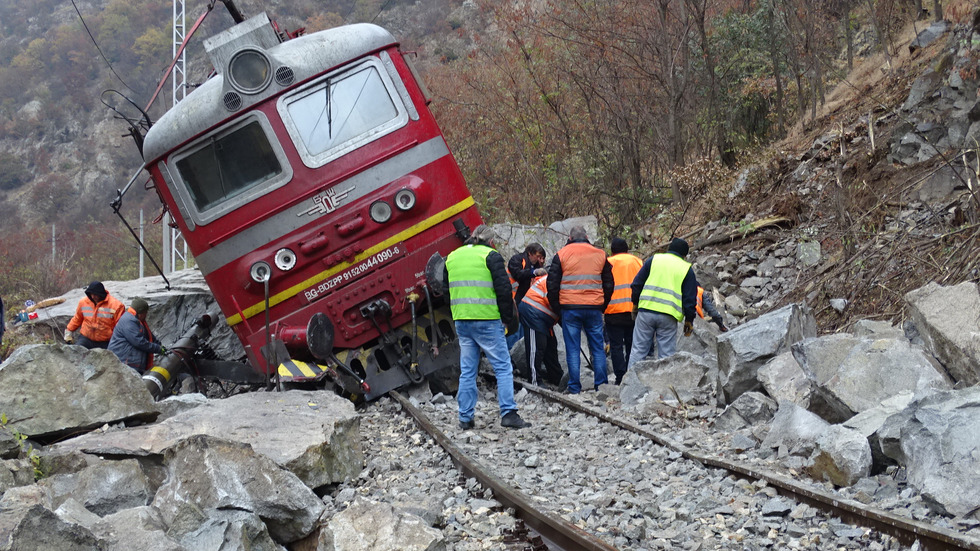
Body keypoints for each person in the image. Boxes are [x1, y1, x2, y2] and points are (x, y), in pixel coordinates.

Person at [445, 224, 530, 430]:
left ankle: (465, 417)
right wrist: (507, 319)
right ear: (490, 241)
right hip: (487, 320)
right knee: (502, 367)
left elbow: (446, 289)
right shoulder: (491, 256)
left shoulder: (452, 257)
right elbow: (503, 290)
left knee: (467, 370)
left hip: (462, 321)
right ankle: (508, 413)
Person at [546, 226, 613, 393]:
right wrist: (602, 305)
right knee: (597, 347)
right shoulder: (600, 254)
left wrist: (558, 308)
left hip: (570, 308)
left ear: (570, 237)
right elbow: (609, 283)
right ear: (587, 236)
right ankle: (602, 386)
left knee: (573, 349)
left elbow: (552, 284)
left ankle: (574, 386)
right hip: (594, 308)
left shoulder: (561, 254)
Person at [628, 238, 699, 366]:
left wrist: (635, 305)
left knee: (638, 351)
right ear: (684, 255)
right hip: (668, 316)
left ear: (669, 249)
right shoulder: (686, 269)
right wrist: (689, 320)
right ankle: (665, 385)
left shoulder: (654, 260)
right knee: (667, 356)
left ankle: (630, 385)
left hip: (646, 312)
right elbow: (690, 299)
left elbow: (636, 284)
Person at [604, 238, 643, 384]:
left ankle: (620, 378)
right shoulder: (637, 261)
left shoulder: (608, 262)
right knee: (633, 345)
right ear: (627, 249)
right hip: (634, 310)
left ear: (612, 251)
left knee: (616, 346)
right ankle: (632, 376)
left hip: (613, 311)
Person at [517, 273, 563, 386]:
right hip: (533, 312)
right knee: (537, 347)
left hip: (544, 316)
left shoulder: (559, 279)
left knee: (551, 345)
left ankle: (556, 378)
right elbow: (554, 301)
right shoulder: (554, 280)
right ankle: (534, 380)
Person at [108, 297, 166, 374]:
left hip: (128, 360)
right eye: (146, 313)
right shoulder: (129, 321)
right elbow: (139, 342)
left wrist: (159, 344)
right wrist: (158, 349)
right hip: (124, 361)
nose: (146, 315)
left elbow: (148, 335)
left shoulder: (135, 319)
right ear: (141, 313)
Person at [505, 243, 547, 348]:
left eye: (542, 258)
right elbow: (518, 274)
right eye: (538, 257)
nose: (540, 260)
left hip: (526, 302)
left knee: (523, 328)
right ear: (530, 253)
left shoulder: (537, 266)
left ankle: (519, 350)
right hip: (513, 299)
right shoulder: (517, 259)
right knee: (513, 328)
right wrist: (534, 272)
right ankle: (509, 351)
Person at [64, 281, 126, 349]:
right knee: (76, 352)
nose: (93, 296)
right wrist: (69, 331)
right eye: (91, 294)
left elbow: (120, 327)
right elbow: (77, 318)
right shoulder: (83, 302)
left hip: (106, 341)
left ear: (101, 294)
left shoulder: (116, 306)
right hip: (86, 339)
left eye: (95, 294)